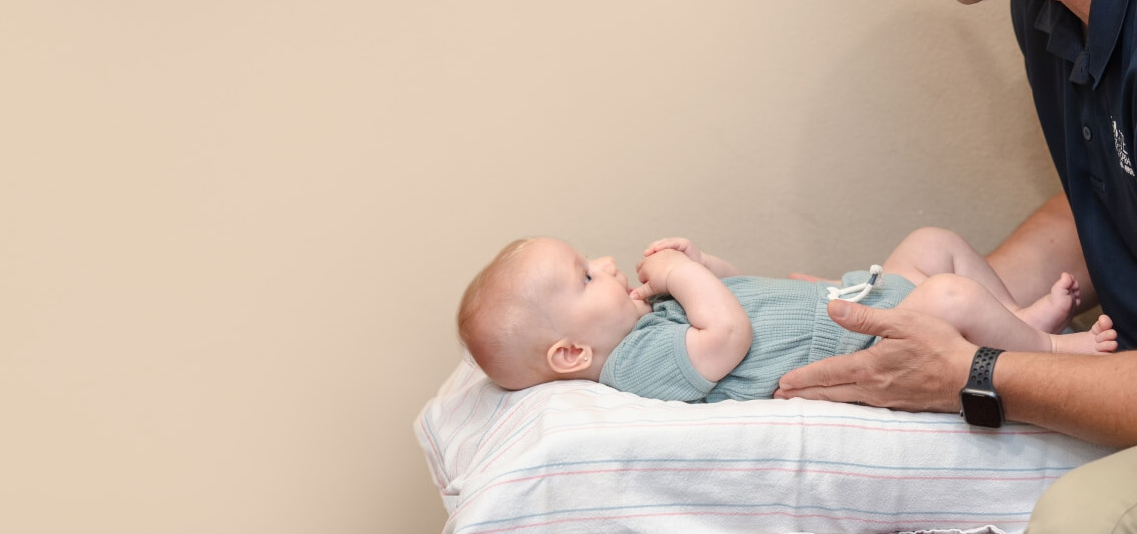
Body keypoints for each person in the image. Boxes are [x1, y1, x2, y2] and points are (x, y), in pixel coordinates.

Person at [776, 0, 1137, 531]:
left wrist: (976, 370)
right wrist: (923, 298)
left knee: (1074, 517)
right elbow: (1106, 195)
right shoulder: (1045, 13)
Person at [456, 228, 1115, 402]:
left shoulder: (649, 318)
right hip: (865, 342)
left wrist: (702, 262)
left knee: (931, 243)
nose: (604, 261)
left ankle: (1018, 319)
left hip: (857, 296)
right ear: (571, 352)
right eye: (585, 275)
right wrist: (682, 277)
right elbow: (729, 334)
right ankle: (1053, 353)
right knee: (947, 296)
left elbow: (741, 293)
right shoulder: (633, 366)